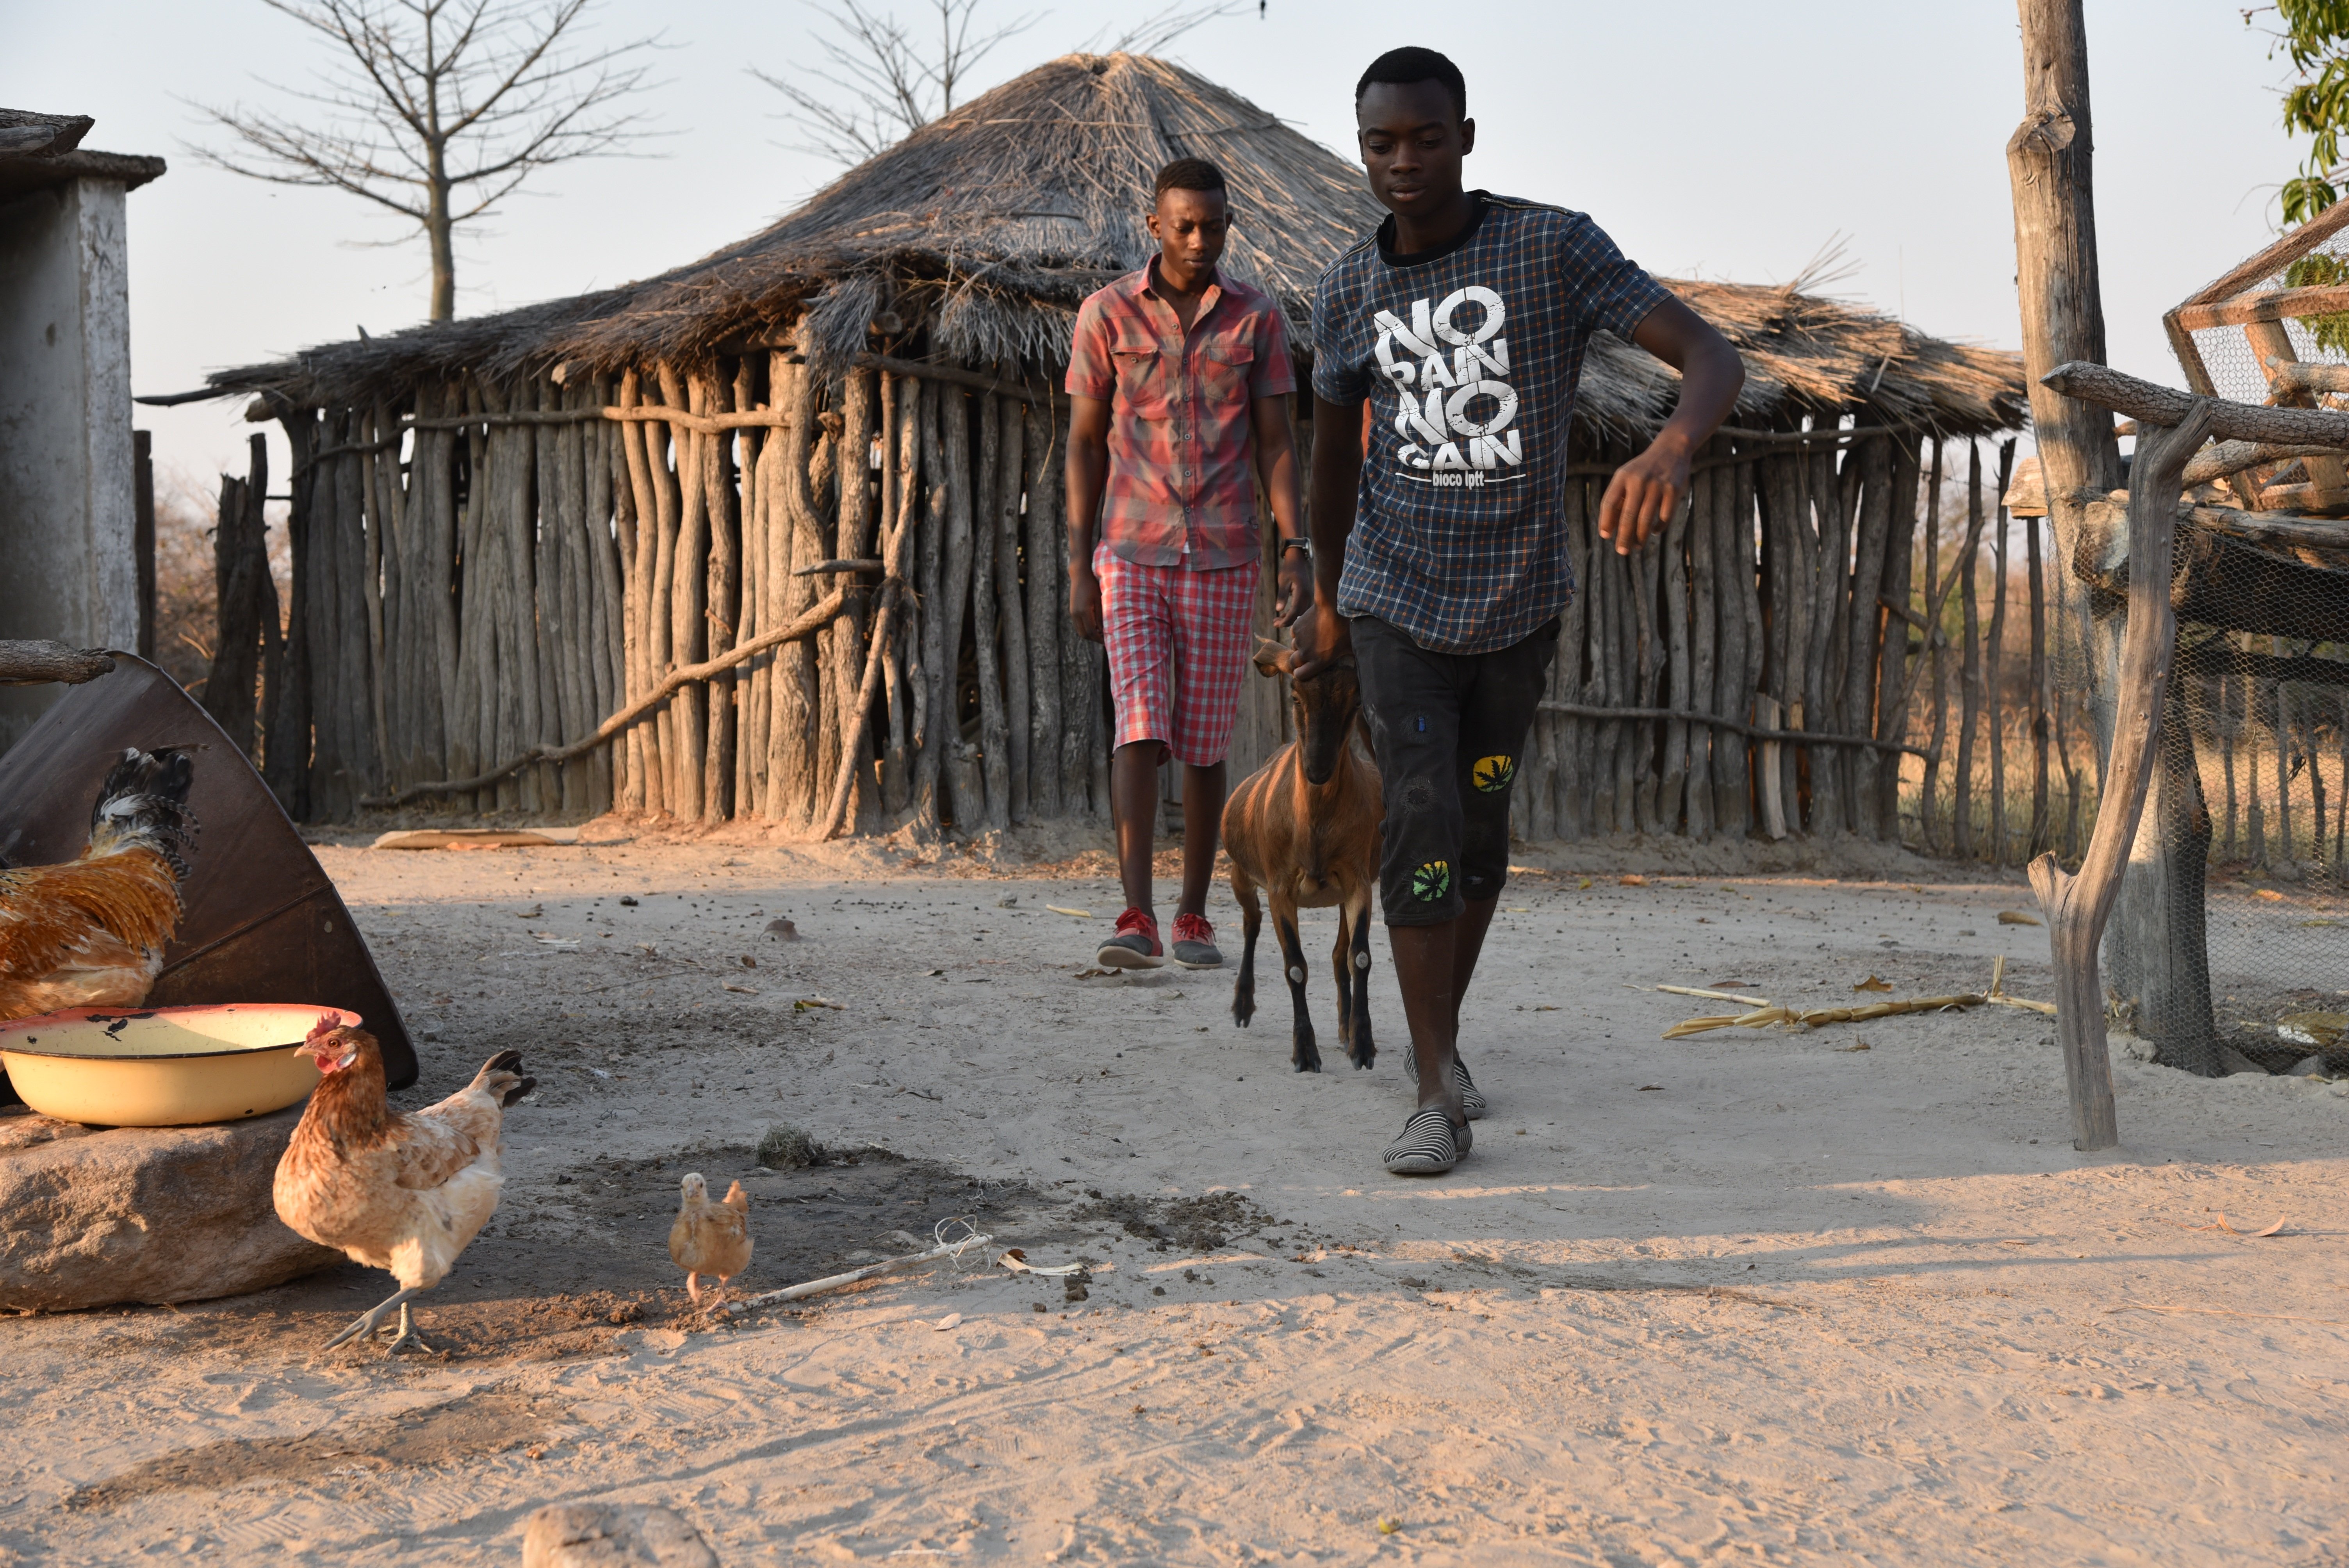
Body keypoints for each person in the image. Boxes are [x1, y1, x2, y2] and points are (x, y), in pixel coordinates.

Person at [1294, 47, 1745, 1174]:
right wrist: (1324, 595)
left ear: (1467, 137)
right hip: (1395, 597)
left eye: (1426, 138)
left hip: (1518, 605)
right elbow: (1331, 466)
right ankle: (1435, 1085)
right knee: (1419, 818)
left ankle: (1439, 1045)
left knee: (1482, 831)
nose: (1403, 161)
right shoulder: (1348, 288)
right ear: (1364, 150)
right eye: (1381, 143)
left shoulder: (1551, 248)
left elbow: (1709, 354)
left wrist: (1673, 449)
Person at [1066, 157, 1309, 970]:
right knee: (1139, 724)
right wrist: (1076, 564)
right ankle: (1133, 912)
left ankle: (1192, 914)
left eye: (1214, 225)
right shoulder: (1105, 315)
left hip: (1225, 553)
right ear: (1154, 226)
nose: (1200, 239)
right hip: (1129, 552)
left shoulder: (1257, 318)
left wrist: (1294, 549)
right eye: (1184, 226)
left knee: (1205, 744)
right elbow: (1082, 442)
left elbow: (1277, 443)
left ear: (1228, 225)